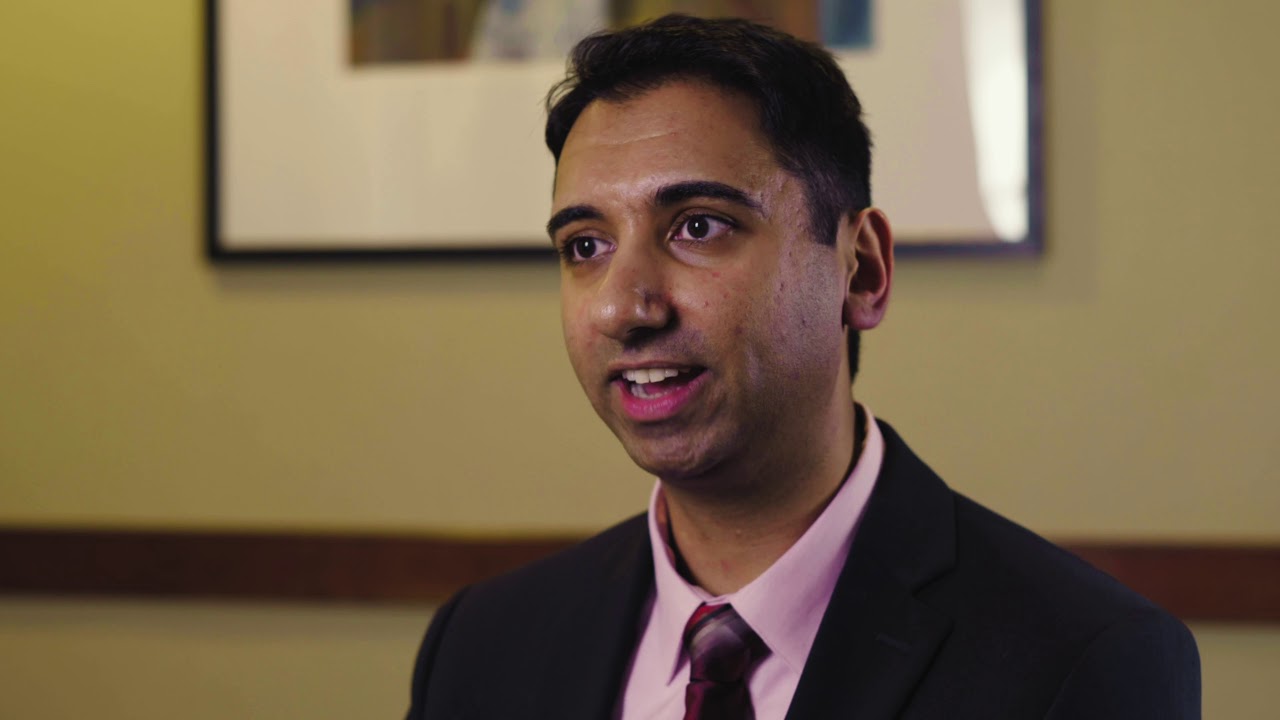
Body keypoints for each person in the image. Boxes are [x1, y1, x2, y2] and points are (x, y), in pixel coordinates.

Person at [406, 14, 1200, 719]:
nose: (625, 307)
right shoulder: (481, 645)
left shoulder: (1083, 660)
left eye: (699, 227)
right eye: (586, 245)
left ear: (861, 270)